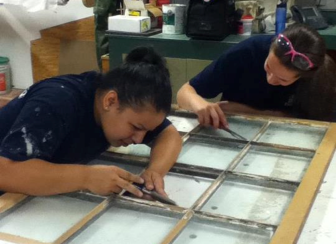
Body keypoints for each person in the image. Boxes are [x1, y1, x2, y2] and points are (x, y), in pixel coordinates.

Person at [0, 47, 182, 198]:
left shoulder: (120, 105)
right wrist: (86, 177)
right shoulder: (57, 102)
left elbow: (169, 135)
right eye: (136, 128)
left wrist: (155, 172)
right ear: (110, 101)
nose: (139, 138)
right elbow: (5, 172)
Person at [177, 23, 336, 129]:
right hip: (235, 130)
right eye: (268, 67)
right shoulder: (247, 52)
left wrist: (246, 110)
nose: (271, 79)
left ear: (303, 77)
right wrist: (199, 104)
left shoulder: (320, 78)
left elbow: (319, 125)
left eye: (283, 80)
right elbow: (184, 92)